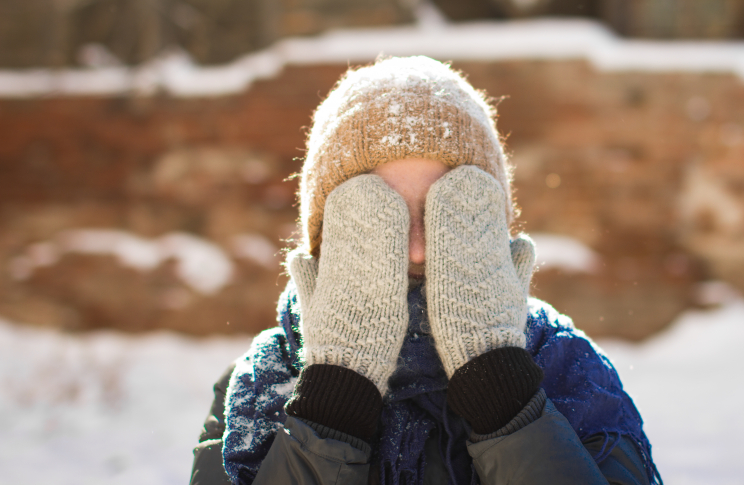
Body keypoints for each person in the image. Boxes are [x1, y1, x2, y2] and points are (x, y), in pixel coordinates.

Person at [190, 56, 662, 485]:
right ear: (323, 238)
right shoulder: (264, 382)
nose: (417, 250)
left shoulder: (566, 368)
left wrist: (503, 391)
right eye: (381, 215)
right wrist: (332, 401)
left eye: (447, 214)